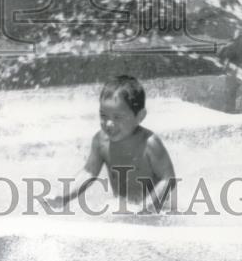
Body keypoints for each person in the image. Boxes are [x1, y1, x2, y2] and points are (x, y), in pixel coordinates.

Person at [51, 75, 176, 214]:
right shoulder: (101, 141)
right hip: (125, 210)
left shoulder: (149, 143)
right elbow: (89, 172)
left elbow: (168, 179)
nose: (109, 124)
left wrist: (144, 208)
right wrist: (63, 197)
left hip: (157, 211)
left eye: (117, 117)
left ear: (140, 116)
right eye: (103, 116)